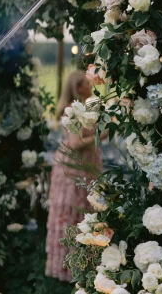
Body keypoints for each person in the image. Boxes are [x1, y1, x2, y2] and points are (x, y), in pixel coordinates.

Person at [45, 69, 103, 282]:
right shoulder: (73, 110)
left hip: (85, 165)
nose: (91, 86)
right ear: (78, 88)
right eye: (87, 84)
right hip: (75, 168)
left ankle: (84, 265)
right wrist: (101, 134)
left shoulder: (84, 108)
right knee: (73, 212)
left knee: (85, 212)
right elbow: (76, 143)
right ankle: (69, 269)